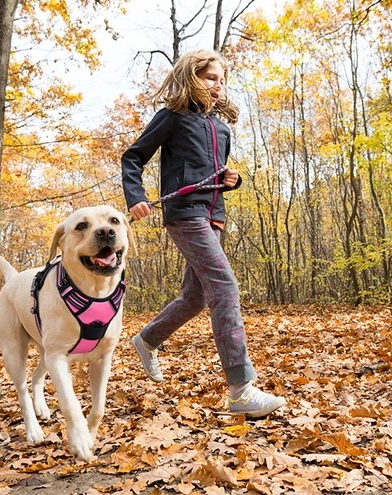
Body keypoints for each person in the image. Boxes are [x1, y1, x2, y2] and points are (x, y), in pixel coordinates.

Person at [121, 49, 285, 418]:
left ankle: (147, 340)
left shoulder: (222, 127)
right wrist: (137, 197)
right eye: (211, 78)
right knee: (224, 287)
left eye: (222, 80)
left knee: (195, 297)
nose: (218, 85)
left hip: (214, 216)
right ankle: (241, 389)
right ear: (191, 77)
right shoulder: (172, 117)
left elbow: (216, 173)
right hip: (185, 214)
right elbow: (133, 157)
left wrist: (233, 180)